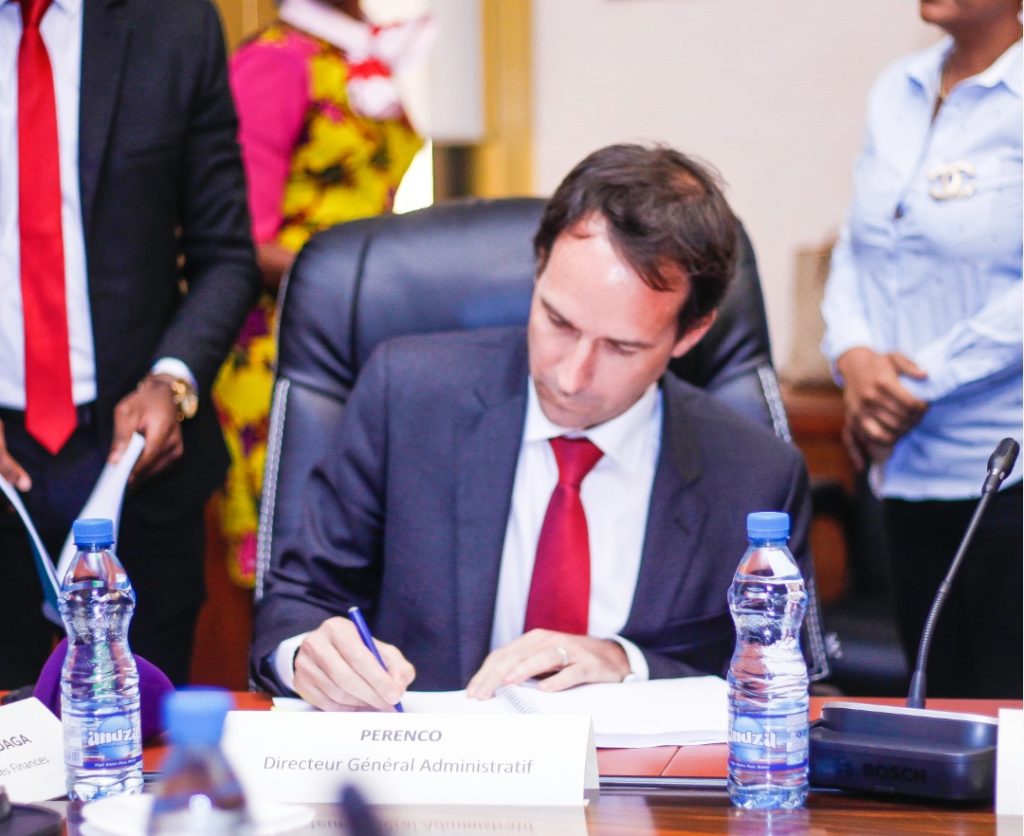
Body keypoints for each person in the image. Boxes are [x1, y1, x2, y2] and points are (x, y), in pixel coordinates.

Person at [251, 143, 817, 709]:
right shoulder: (405, 396)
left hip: (642, 769)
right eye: (558, 321)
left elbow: (785, 677)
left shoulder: (753, 474)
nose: (571, 377)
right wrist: (307, 655)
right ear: (539, 266)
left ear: (690, 334)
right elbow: (298, 602)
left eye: (621, 347)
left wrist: (630, 664)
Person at [0, 0, 260, 687]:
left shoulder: (174, 23)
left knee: (135, 736)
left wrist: (173, 379)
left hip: (137, 461)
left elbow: (226, 256)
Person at [821, 0, 1022, 698]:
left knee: (1006, 724)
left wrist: (912, 383)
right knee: (931, 709)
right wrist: (854, 357)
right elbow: (855, 245)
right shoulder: (897, 88)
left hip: (1004, 470)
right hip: (904, 465)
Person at [212, 0, 428, 587]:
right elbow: (241, 240)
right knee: (294, 558)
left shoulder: (354, 52)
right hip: (285, 348)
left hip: (362, 335)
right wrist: (365, 283)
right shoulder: (274, 64)